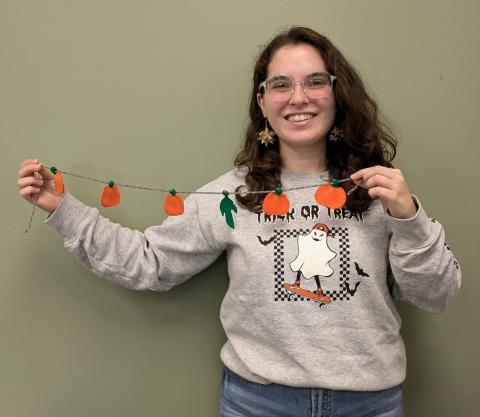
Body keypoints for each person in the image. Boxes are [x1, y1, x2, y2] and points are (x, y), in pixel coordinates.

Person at [18, 26, 461, 417]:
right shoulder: (234, 196)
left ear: (336, 92)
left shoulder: (381, 189)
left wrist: (410, 219)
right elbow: (150, 263)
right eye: (281, 84)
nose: (299, 97)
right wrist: (63, 209)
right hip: (259, 403)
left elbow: (435, 295)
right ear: (263, 101)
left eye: (315, 82)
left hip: (370, 403)